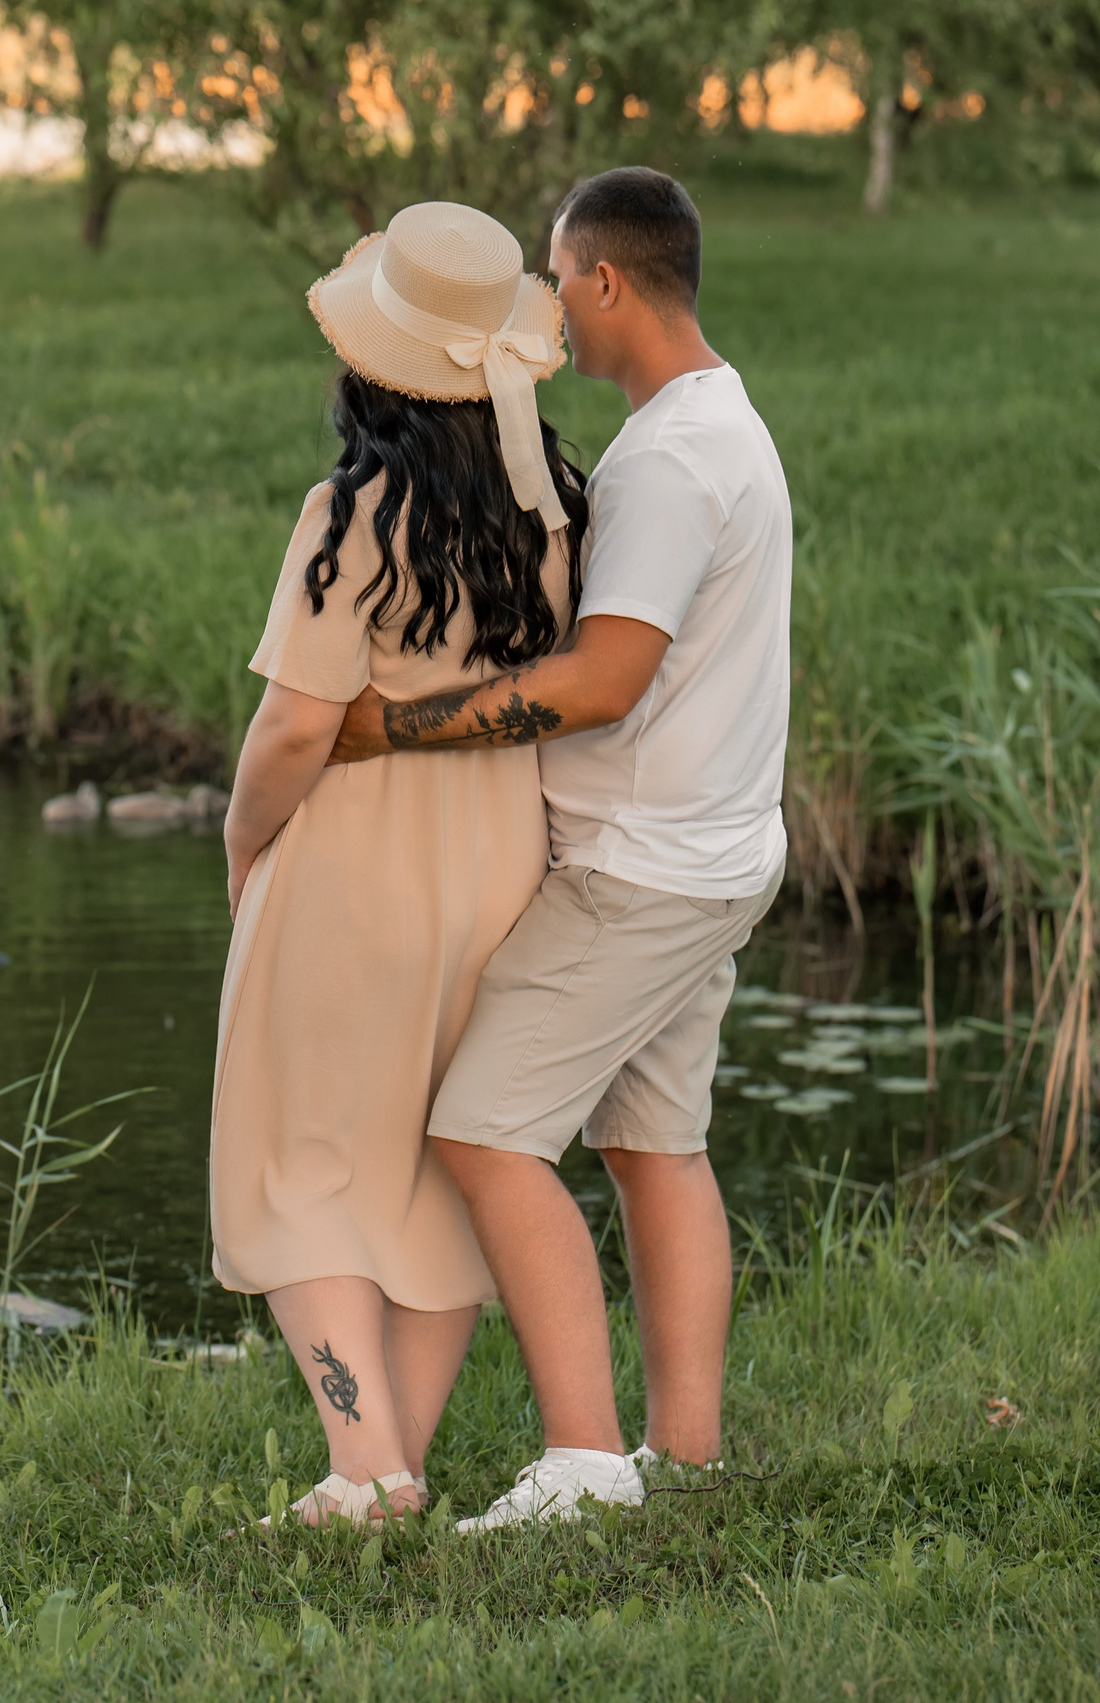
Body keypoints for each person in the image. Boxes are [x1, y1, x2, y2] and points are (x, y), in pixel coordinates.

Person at [326, 166, 793, 1532]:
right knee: (657, 1146)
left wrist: (392, 727)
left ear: (604, 279)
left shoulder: (668, 463)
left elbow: (603, 682)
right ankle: (683, 1461)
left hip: (638, 872)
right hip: (714, 853)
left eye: (555, 275)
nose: (548, 305)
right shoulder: (722, 418)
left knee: (482, 1132)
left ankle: (584, 1464)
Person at [210, 200, 590, 1526]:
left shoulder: (353, 514)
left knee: (298, 1165)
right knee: (433, 1168)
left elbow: (295, 726)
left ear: (373, 367)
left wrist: (242, 841)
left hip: (355, 870)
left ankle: (369, 1468)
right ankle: (385, 1466)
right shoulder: (556, 509)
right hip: (499, 869)